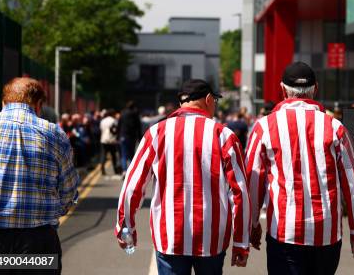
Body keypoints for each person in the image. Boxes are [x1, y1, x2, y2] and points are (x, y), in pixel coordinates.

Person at [246, 62, 354, 275]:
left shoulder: (264, 126)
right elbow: (351, 182)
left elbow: (253, 180)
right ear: (316, 89)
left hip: (285, 232)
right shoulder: (335, 127)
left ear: (283, 89)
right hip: (327, 233)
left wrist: (252, 223)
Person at [115, 79, 250, 275]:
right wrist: (240, 242)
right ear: (208, 99)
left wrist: (125, 227)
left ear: (181, 103)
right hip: (211, 238)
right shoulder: (223, 135)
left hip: (170, 236)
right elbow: (240, 193)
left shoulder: (156, 133)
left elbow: (133, 185)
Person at [0, 78, 79, 274]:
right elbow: (68, 190)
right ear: (39, 104)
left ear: (4, 102)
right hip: (37, 242)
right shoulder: (55, 134)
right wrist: (55, 211)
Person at [117, 100, 141, 174]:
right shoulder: (135, 114)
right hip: (132, 137)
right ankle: (131, 170)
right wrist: (139, 137)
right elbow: (138, 127)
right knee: (131, 155)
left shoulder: (122, 113)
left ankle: (124, 171)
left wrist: (118, 136)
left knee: (124, 154)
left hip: (123, 136)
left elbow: (119, 125)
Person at [100, 109, 120, 175]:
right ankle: (116, 170)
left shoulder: (102, 121)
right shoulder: (114, 121)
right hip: (112, 140)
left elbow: (101, 129)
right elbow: (116, 130)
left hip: (103, 140)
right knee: (113, 156)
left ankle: (102, 168)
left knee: (104, 155)